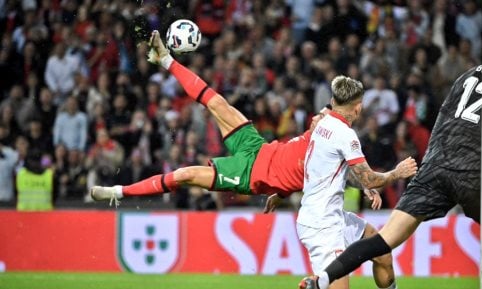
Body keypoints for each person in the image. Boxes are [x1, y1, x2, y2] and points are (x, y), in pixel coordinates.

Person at [90, 31, 398, 288]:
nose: (321, 118)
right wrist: (285, 191)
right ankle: (166, 59)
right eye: (321, 113)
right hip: (259, 148)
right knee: (217, 102)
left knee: (186, 174)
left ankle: (119, 191)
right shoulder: (324, 133)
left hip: (252, 174)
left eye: (326, 114)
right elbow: (337, 172)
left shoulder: (329, 145)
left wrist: (283, 189)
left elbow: (331, 177)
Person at [299, 20, 482, 289]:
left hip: (435, 167)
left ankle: (322, 280)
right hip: (476, 172)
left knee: (384, 240)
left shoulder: (466, 76)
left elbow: (444, 117)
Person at [297, 75, 417, 289]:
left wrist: (363, 185)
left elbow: (345, 172)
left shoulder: (322, 124)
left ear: (333, 101)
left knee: (380, 249)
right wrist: (397, 173)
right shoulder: (345, 134)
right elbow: (370, 177)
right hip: (322, 225)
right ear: (359, 108)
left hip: (330, 216)